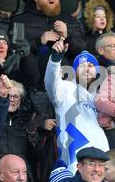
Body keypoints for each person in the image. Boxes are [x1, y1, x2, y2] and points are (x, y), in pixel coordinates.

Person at [44, 38, 109, 173]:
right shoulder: (65, 88)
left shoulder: (100, 97)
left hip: (102, 156)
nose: (87, 68)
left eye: (91, 66)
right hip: (75, 161)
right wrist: (55, 60)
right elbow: (50, 82)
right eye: (82, 65)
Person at [13, 0, 86, 87]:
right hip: (33, 87)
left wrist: (67, 35)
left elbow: (81, 49)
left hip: (65, 85)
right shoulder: (20, 20)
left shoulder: (69, 20)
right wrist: (38, 42)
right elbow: (14, 57)